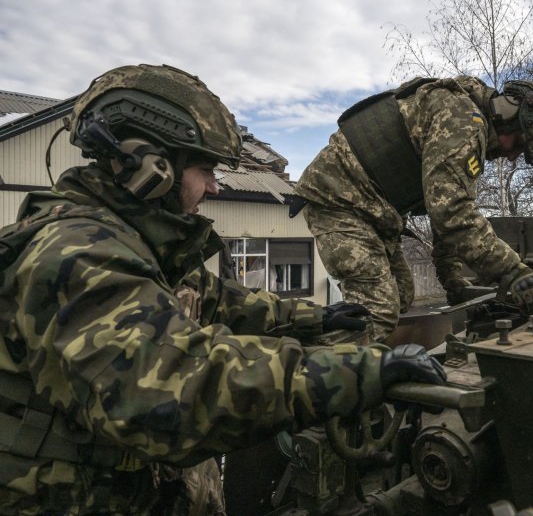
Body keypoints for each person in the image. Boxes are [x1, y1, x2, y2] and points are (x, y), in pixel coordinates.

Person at [0, 64, 446, 515]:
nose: (214, 186)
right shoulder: (77, 254)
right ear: (149, 166)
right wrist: (356, 371)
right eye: (204, 168)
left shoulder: (133, 245)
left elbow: (213, 296)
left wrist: (314, 317)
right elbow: (172, 387)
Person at [293, 76, 533, 341]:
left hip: (369, 209)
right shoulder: (462, 122)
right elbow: (452, 214)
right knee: (376, 312)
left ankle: (305, 333)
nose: (510, 155)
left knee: (400, 294)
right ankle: (304, 373)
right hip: (339, 200)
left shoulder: (466, 119)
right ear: (509, 112)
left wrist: (452, 280)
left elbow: (442, 211)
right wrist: (513, 271)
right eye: (518, 143)